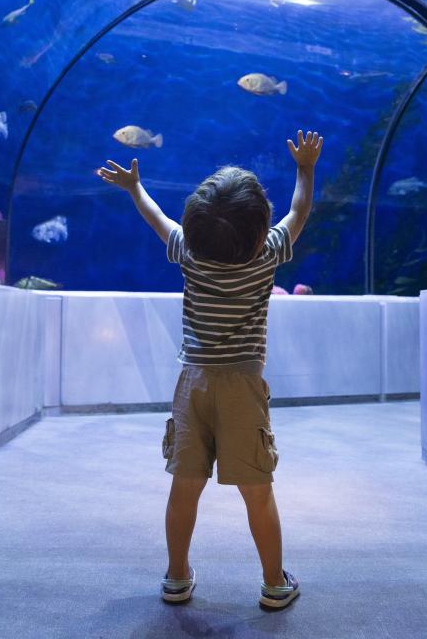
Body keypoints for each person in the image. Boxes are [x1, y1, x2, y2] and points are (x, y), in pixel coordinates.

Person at [97, 130, 323, 610]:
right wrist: (305, 168)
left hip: (193, 383)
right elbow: (299, 211)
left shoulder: (190, 255)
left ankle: (177, 577)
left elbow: (157, 220)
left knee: (184, 488)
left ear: (195, 226)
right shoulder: (267, 256)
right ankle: (274, 583)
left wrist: (135, 189)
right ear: (262, 234)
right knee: (257, 493)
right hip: (243, 385)